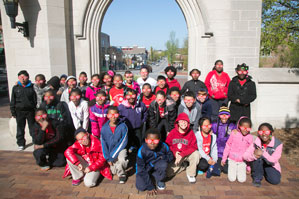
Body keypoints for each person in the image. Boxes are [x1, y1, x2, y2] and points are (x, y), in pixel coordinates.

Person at [136, 128, 173, 195]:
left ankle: (159, 179)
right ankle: (150, 177)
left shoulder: (163, 146)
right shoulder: (142, 151)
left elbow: (170, 157)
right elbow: (141, 170)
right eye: (149, 141)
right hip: (145, 169)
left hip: (157, 165)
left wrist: (164, 157)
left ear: (159, 140)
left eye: (155, 141)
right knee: (141, 187)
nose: (152, 143)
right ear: (146, 140)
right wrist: (150, 187)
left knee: (163, 164)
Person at [243, 123, 282, 187]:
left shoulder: (278, 144)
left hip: (270, 164)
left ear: (271, 133)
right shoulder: (256, 142)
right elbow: (245, 155)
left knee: (275, 180)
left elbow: (274, 160)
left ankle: (264, 171)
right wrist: (254, 156)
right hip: (258, 162)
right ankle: (257, 177)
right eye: (261, 132)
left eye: (267, 132)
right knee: (258, 158)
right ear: (258, 133)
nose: (264, 134)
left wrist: (263, 152)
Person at [166, 112, 200, 183]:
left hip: (186, 153)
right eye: (181, 121)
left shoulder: (190, 133)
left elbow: (194, 147)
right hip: (176, 156)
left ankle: (191, 173)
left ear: (188, 123)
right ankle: (183, 166)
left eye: (185, 121)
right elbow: (167, 144)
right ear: (177, 122)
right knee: (168, 173)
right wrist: (175, 152)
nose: (183, 123)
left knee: (196, 154)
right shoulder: (173, 132)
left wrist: (182, 154)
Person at [101, 106, 129, 184]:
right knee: (113, 171)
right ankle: (117, 167)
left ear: (118, 115)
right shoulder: (104, 128)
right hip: (110, 151)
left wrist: (113, 156)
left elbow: (123, 142)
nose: (113, 117)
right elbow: (103, 144)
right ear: (107, 116)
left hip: (121, 149)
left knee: (122, 160)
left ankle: (122, 175)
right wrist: (108, 158)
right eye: (111, 115)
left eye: (115, 115)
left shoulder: (123, 126)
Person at [10, 70, 37, 150]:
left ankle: (35, 141)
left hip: (30, 111)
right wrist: (13, 111)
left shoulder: (32, 87)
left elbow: (35, 99)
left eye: (24, 76)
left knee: (32, 128)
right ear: (18, 78)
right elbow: (13, 100)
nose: (22, 78)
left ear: (28, 77)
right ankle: (21, 143)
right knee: (20, 129)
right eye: (20, 77)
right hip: (19, 111)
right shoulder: (15, 88)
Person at [221, 117, 253, 183]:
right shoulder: (234, 133)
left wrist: (248, 166)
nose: (245, 130)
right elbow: (228, 146)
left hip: (242, 161)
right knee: (232, 179)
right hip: (232, 159)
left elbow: (250, 152)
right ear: (239, 126)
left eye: (248, 128)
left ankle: (240, 169)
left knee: (242, 180)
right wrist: (224, 158)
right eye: (243, 128)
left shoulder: (250, 137)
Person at [211, 106, 237, 174]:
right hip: (217, 152)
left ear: (229, 116)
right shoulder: (214, 125)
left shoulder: (232, 126)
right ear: (219, 115)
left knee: (226, 170)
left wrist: (237, 131)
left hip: (227, 153)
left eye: (226, 115)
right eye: (222, 115)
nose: (224, 117)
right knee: (217, 169)